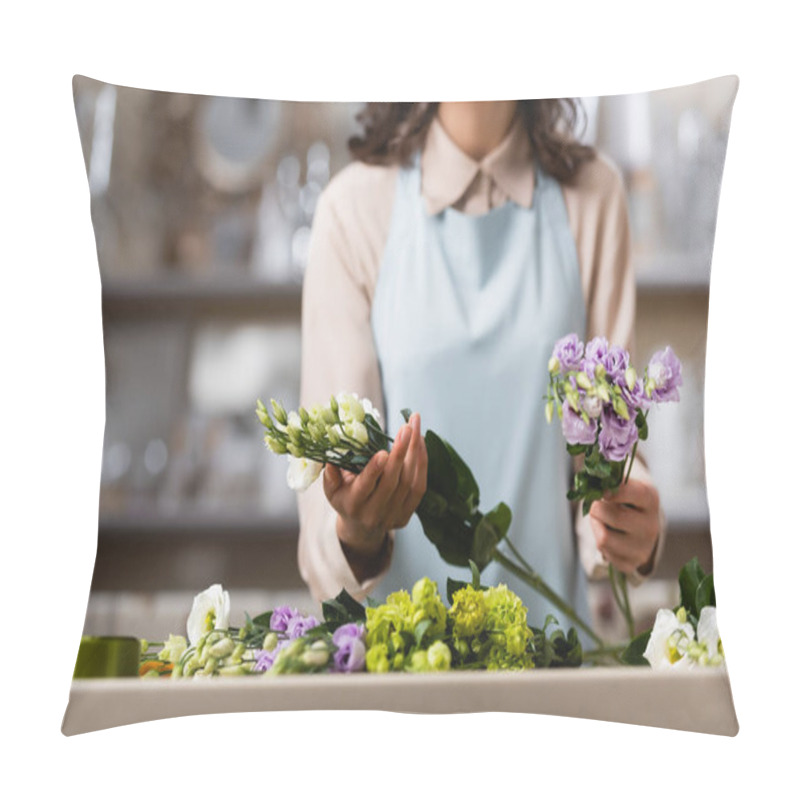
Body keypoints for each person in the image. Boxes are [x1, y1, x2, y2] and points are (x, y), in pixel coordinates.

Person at [296, 100, 664, 629]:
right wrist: (357, 530)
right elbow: (322, 545)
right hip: (399, 676)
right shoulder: (351, 210)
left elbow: (611, 462)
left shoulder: (594, 196)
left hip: (549, 670)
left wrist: (632, 529)